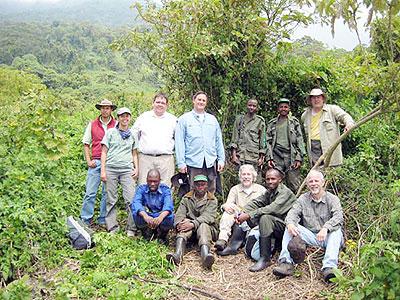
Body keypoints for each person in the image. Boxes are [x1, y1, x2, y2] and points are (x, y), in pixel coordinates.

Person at [272, 170, 344, 282]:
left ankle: (329, 268)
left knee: (337, 230)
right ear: (307, 184)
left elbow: (338, 217)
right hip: (310, 236)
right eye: (311, 181)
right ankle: (286, 263)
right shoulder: (302, 199)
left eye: (316, 181)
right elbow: (292, 213)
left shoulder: (332, 199)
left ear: (323, 183)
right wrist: (290, 223)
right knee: (290, 226)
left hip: (328, 237)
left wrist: (326, 228)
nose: (314, 184)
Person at [235, 168, 297, 272]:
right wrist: (243, 212)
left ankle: (265, 258)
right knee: (260, 217)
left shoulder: (285, 193)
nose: (270, 182)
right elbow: (257, 202)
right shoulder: (270, 191)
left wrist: (249, 215)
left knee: (265, 218)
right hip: (278, 224)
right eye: (268, 179)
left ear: (280, 179)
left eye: (273, 179)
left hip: (289, 228)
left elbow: (272, 208)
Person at [175, 91, 225, 194]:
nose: (201, 102)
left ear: (206, 103)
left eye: (203, 100)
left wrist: (221, 159)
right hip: (193, 161)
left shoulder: (212, 120)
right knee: (194, 190)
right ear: (194, 101)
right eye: (199, 99)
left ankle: (209, 209)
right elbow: (179, 142)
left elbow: (218, 140)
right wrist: (181, 162)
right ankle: (193, 210)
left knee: (211, 189)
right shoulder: (184, 119)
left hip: (210, 161)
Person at [100, 107, 138, 236]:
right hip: (111, 169)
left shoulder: (133, 134)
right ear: (118, 118)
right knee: (111, 199)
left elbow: (134, 153)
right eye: (122, 116)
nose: (125, 118)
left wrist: (136, 168)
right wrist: (103, 171)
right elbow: (104, 152)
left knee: (131, 199)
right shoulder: (111, 132)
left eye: (127, 116)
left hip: (127, 170)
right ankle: (112, 227)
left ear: (130, 118)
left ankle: (131, 228)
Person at [166, 175, 218, 268]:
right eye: (198, 185)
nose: (200, 187)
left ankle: (205, 255)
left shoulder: (212, 200)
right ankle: (178, 254)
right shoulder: (186, 198)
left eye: (203, 184)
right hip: (190, 231)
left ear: (207, 186)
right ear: (193, 186)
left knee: (203, 226)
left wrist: (193, 224)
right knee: (183, 223)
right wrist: (179, 224)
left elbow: (208, 217)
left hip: (207, 230)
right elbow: (180, 213)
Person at [80, 99, 117, 226]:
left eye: (107, 108)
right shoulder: (93, 124)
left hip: (110, 162)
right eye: (103, 108)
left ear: (111, 109)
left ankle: (103, 219)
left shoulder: (116, 124)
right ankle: (86, 218)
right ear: (100, 109)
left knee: (107, 193)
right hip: (96, 161)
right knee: (90, 192)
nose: (105, 110)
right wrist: (88, 160)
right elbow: (86, 143)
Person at [214, 164, 266, 253]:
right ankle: (222, 239)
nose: (246, 177)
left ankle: (247, 242)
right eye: (243, 174)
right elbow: (228, 203)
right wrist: (225, 206)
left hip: (253, 217)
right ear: (240, 176)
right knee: (228, 212)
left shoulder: (261, 190)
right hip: (238, 216)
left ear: (253, 176)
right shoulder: (235, 189)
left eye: (248, 174)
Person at [132, 93, 177, 187]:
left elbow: (178, 139)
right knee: (143, 186)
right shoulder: (143, 117)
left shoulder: (173, 119)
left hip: (166, 159)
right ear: (153, 103)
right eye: (158, 102)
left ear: (167, 105)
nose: (160, 104)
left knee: (166, 187)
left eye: (163, 103)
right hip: (145, 158)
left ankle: (165, 202)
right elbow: (134, 135)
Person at [301, 88, 355, 167]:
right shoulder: (305, 115)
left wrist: (349, 124)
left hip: (329, 148)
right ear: (310, 100)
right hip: (313, 148)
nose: (316, 100)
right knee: (316, 173)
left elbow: (344, 116)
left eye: (318, 97)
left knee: (331, 173)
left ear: (323, 98)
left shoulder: (332, 109)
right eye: (314, 97)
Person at [265, 98, 306, 193]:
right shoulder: (272, 123)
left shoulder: (294, 122)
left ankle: (296, 204)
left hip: (291, 156)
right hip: (276, 156)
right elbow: (267, 142)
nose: (283, 109)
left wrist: (299, 158)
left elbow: (300, 140)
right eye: (281, 107)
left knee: (294, 183)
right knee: (274, 182)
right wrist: (269, 158)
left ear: (289, 109)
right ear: (278, 109)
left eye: (286, 107)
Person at [130, 169, 174, 244]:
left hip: (160, 215)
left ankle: (162, 235)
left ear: (159, 181)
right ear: (146, 180)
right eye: (150, 181)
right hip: (147, 214)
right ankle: (146, 233)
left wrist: (161, 217)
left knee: (170, 216)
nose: (152, 184)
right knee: (136, 214)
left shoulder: (165, 189)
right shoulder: (141, 189)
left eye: (155, 181)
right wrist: (145, 216)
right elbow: (136, 203)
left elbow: (168, 205)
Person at [230, 99, 266, 171]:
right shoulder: (239, 120)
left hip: (253, 157)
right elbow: (234, 139)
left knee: (255, 180)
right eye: (249, 105)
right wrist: (234, 156)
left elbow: (262, 141)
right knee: (241, 179)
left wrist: (261, 158)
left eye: (254, 106)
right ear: (246, 106)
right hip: (240, 157)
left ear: (257, 108)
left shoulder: (260, 121)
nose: (251, 107)